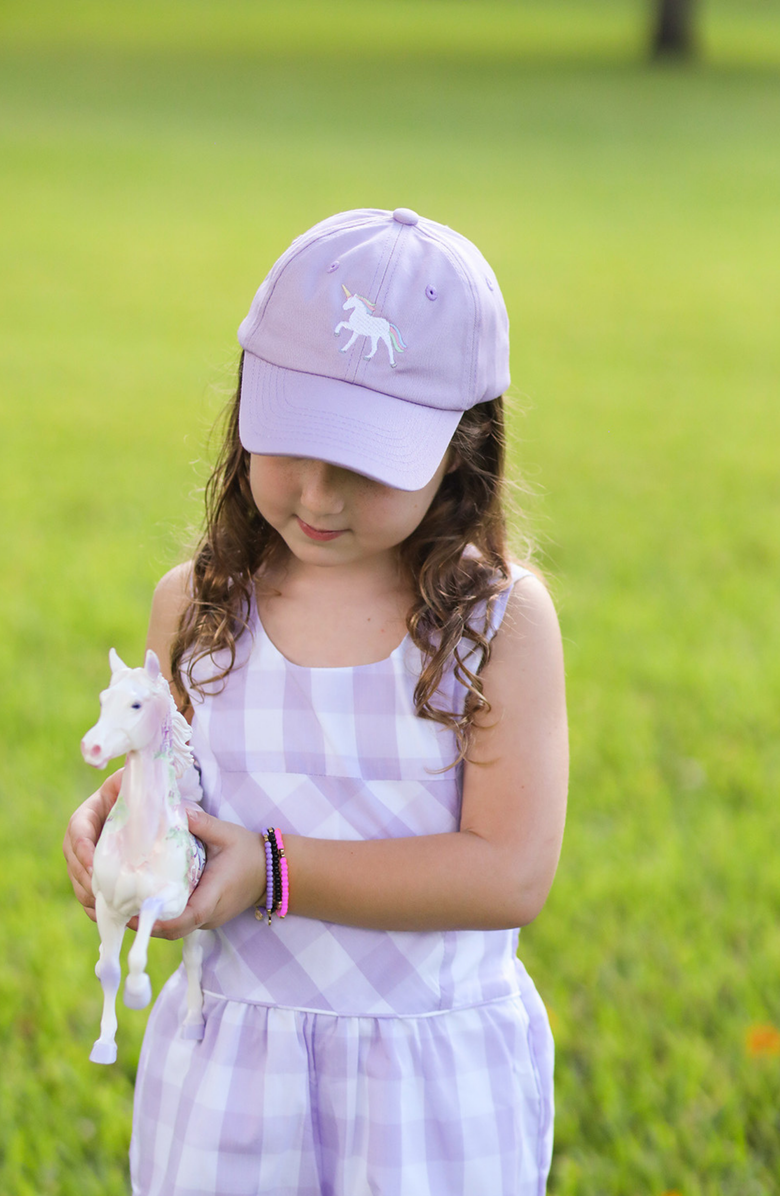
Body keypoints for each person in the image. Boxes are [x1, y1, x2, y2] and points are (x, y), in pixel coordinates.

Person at [64, 207, 568, 1196]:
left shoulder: (495, 624)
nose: (320, 495)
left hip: (423, 1091)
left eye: (367, 460)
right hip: (231, 1078)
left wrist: (272, 871)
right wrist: (121, 832)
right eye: (292, 441)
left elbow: (508, 873)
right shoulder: (196, 607)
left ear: (462, 447)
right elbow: (172, 788)